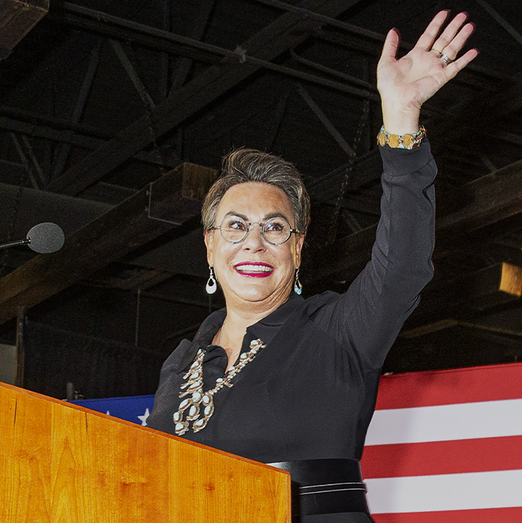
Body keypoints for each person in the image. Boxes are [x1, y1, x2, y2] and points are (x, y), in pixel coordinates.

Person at [146, 11, 478, 522]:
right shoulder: (180, 363)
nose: (254, 242)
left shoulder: (337, 333)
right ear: (210, 246)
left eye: (275, 228)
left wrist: (400, 120)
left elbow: (403, 265)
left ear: (297, 249)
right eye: (235, 226)